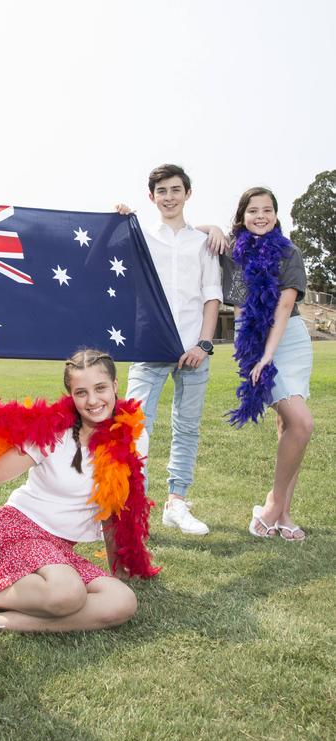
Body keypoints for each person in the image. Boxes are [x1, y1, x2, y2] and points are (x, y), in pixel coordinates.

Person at [0, 349, 143, 645]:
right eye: (81, 392)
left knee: (122, 601)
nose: (93, 401)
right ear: (70, 395)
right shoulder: (52, 433)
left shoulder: (126, 436)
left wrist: (119, 570)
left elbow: (113, 509)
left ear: (115, 385)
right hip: (19, 529)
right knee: (68, 594)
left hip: (58, 550)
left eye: (100, 388)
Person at [116, 164, 222, 535]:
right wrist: (116, 221)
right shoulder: (142, 238)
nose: (169, 197)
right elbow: (103, 261)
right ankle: (133, 510)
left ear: (187, 194)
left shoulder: (203, 243)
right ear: (152, 197)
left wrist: (204, 345)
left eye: (176, 190)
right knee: (133, 427)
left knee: (187, 429)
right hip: (150, 347)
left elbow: (212, 296)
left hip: (194, 349)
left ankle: (176, 504)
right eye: (162, 191)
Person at [219, 187, 314, 540]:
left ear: (276, 214)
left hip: (288, 338)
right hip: (253, 337)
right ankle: (277, 507)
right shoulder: (233, 254)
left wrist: (268, 355)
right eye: (253, 210)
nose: (261, 216)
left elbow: (284, 308)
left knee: (293, 424)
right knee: (298, 423)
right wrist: (250, 351)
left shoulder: (289, 252)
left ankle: (278, 510)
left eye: (267, 210)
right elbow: (241, 309)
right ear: (242, 215)